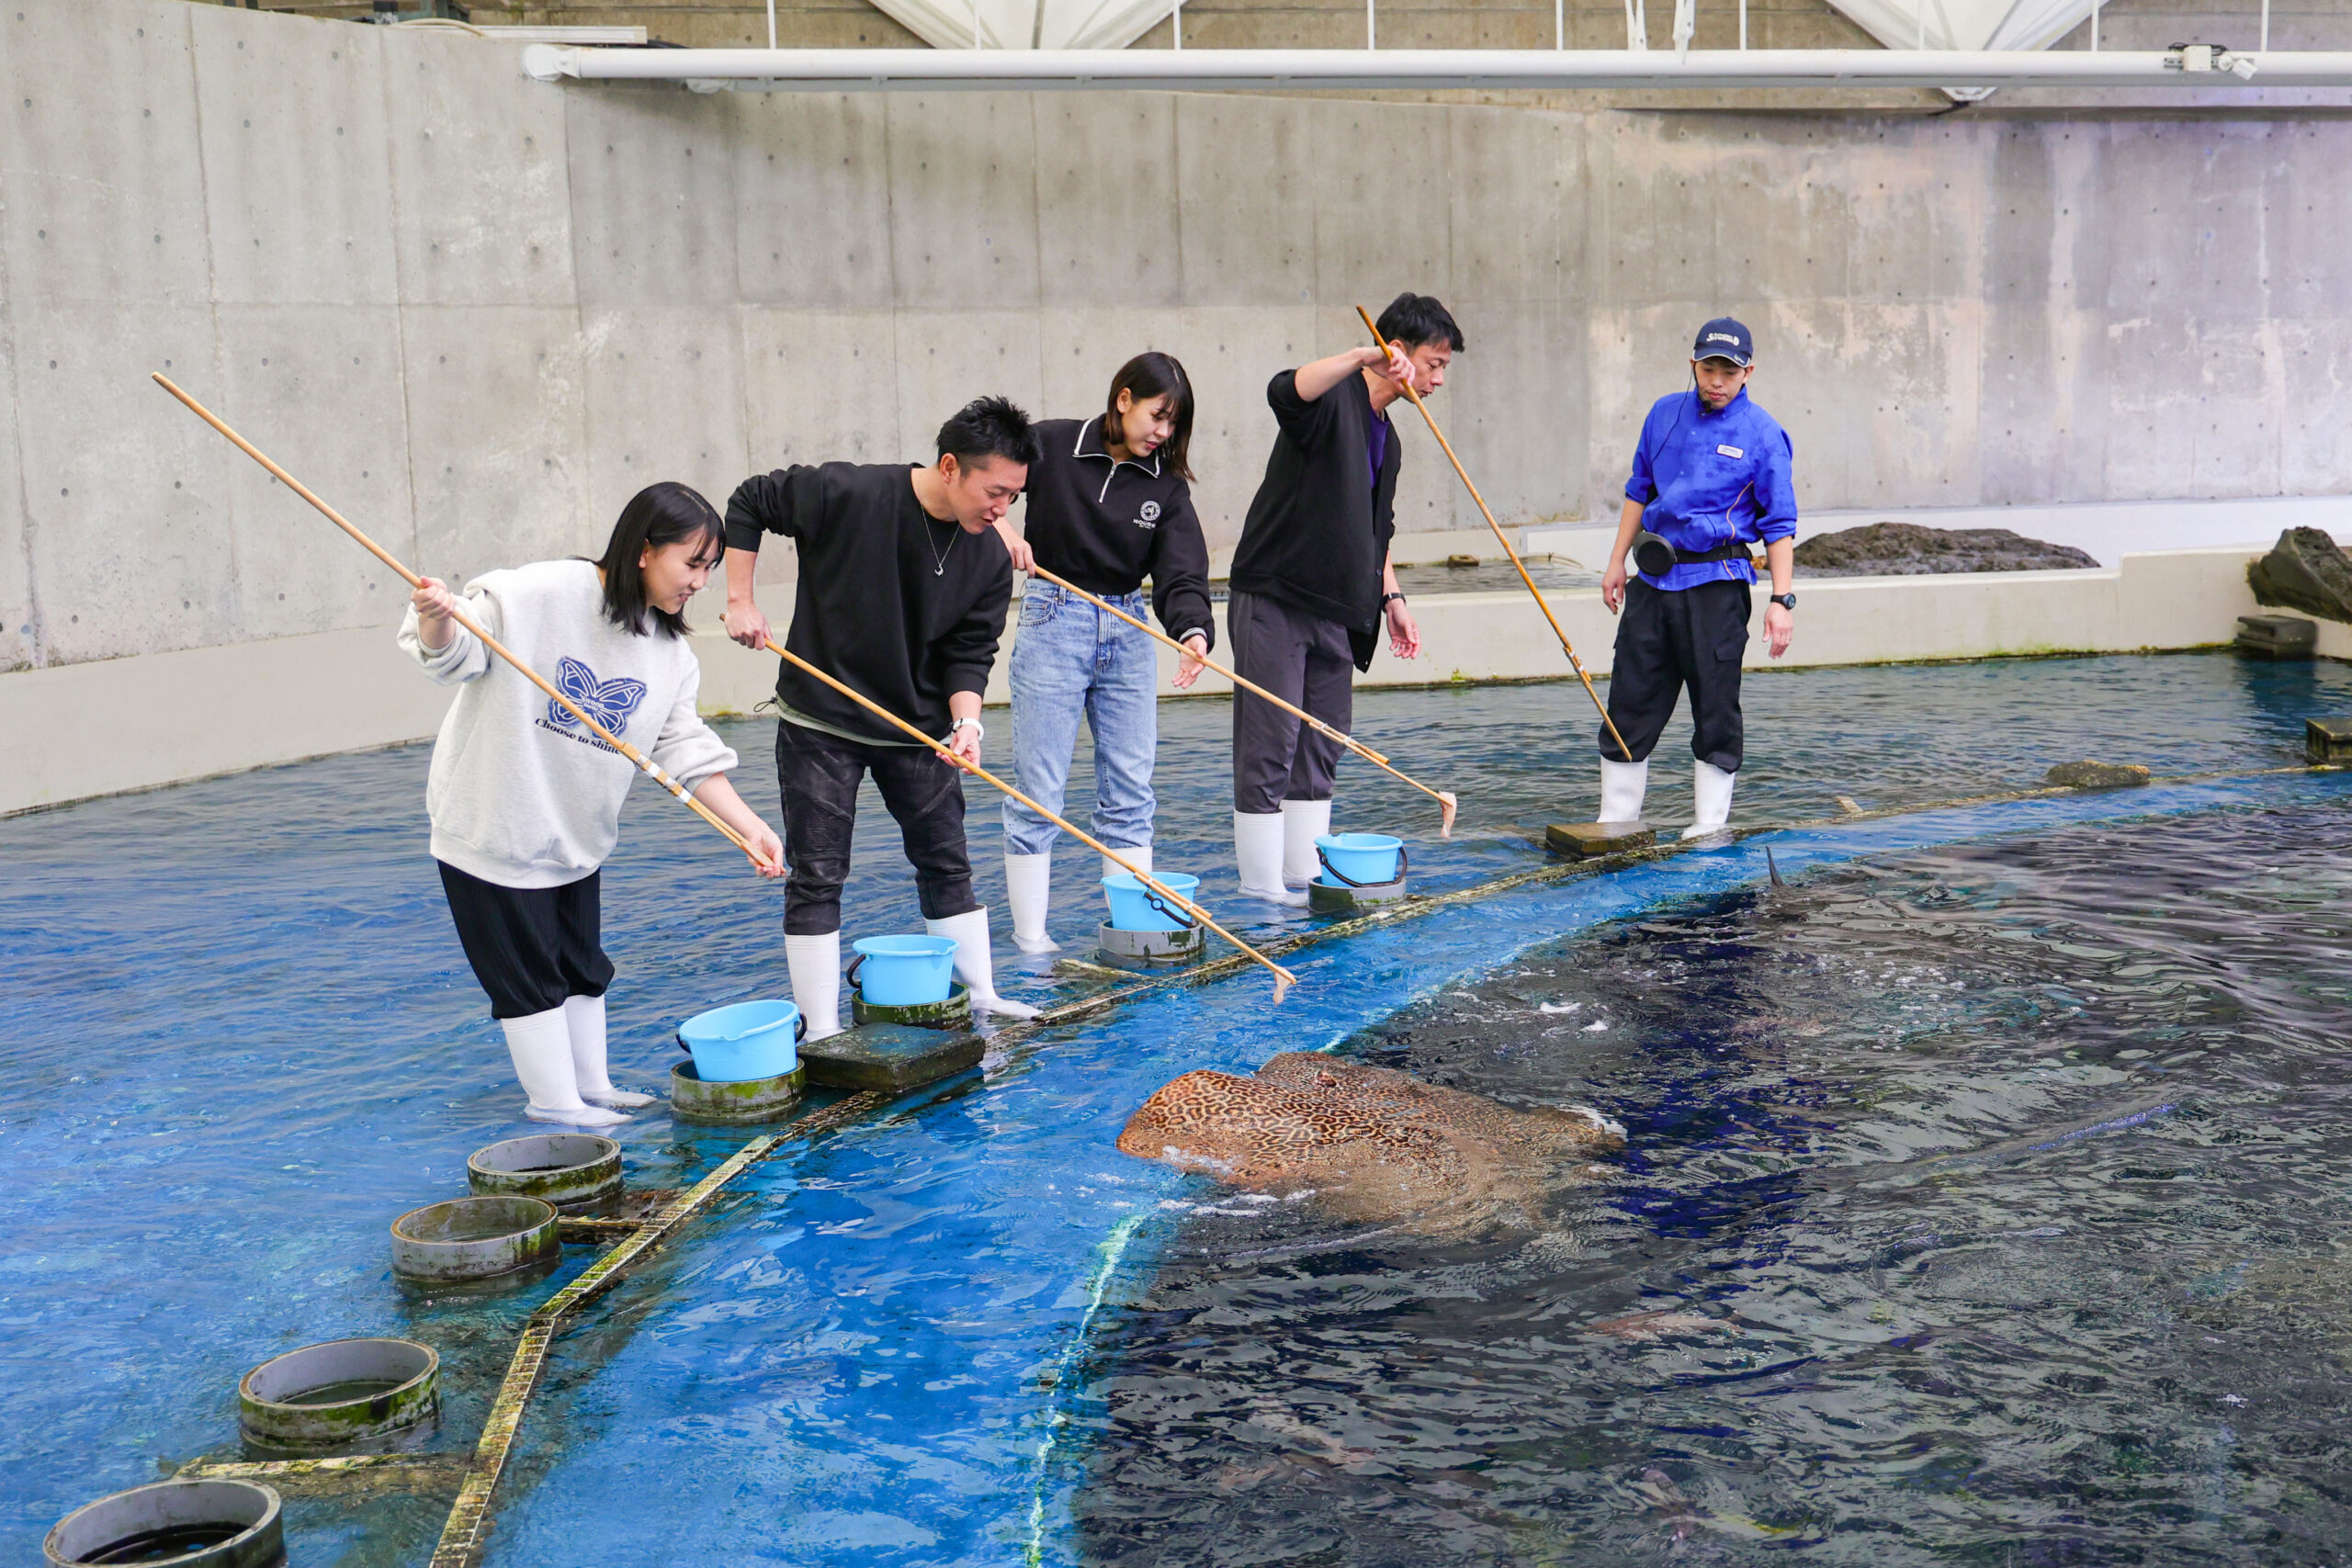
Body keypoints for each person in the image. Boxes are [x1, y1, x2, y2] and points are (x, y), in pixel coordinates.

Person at [400, 482, 786, 1128]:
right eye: (692, 563)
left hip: (574, 834)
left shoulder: (669, 654)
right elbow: (452, 657)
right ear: (644, 550)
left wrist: (750, 828)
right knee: (528, 975)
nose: (701, 582)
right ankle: (554, 1103)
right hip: (494, 824)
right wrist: (437, 615)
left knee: (581, 965)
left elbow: (682, 748)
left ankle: (593, 1086)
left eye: (710, 568)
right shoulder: (538, 594)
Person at [722, 398, 1043, 1035]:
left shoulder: (988, 556)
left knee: (947, 863)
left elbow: (970, 653)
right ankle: (819, 1028)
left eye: (1014, 497)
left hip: (918, 730)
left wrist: (968, 724)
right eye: (995, 492)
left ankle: (980, 994)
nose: (1003, 510)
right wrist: (739, 599)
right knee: (818, 875)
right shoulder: (847, 492)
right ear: (949, 467)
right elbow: (750, 500)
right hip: (820, 722)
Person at [1223, 291, 1453, 904]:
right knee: (1271, 742)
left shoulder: (1390, 439)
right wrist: (1358, 357)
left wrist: (1392, 596)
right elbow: (1282, 390)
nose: (1437, 380)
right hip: (1277, 595)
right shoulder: (1332, 397)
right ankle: (1260, 888)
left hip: (1340, 611)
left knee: (1322, 744)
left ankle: (1303, 877)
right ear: (1396, 351)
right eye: (1433, 364)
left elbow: (1378, 529)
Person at [991, 352, 1216, 953]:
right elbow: (978, 474)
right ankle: (1031, 940)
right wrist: (1002, 526)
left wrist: (1193, 632)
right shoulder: (1051, 444)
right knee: (1038, 794)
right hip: (1052, 616)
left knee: (1131, 795)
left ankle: (1132, 935)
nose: (1164, 432)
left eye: (1174, 423)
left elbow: (1182, 573)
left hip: (1128, 624)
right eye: (1158, 415)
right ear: (1123, 398)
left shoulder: (1166, 488)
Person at [1597, 316, 1798, 840]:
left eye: (1729, 372)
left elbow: (1779, 525)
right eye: (1709, 369)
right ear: (1694, 364)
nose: (1717, 381)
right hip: (1653, 581)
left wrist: (1782, 600)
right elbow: (1639, 490)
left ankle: (1708, 826)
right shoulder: (1663, 413)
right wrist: (1617, 561)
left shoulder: (1763, 434)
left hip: (1716, 585)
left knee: (1715, 705)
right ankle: (1616, 821)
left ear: (1748, 372)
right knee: (1629, 700)